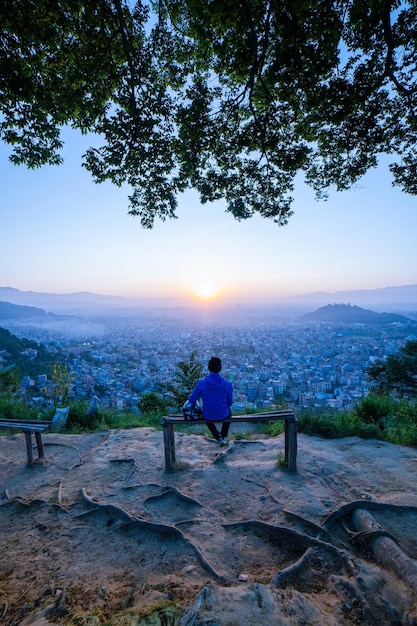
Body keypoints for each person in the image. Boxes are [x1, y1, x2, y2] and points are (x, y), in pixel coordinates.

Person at [187, 356, 233, 446]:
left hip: (207, 414)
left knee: (205, 414)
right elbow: (230, 403)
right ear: (220, 368)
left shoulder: (202, 383)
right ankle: (223, 436)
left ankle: (217, 436)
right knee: (229, 412)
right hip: (223, 414)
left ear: (208, 367)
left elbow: (192, 400)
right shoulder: (227, 384)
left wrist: (190, 397)